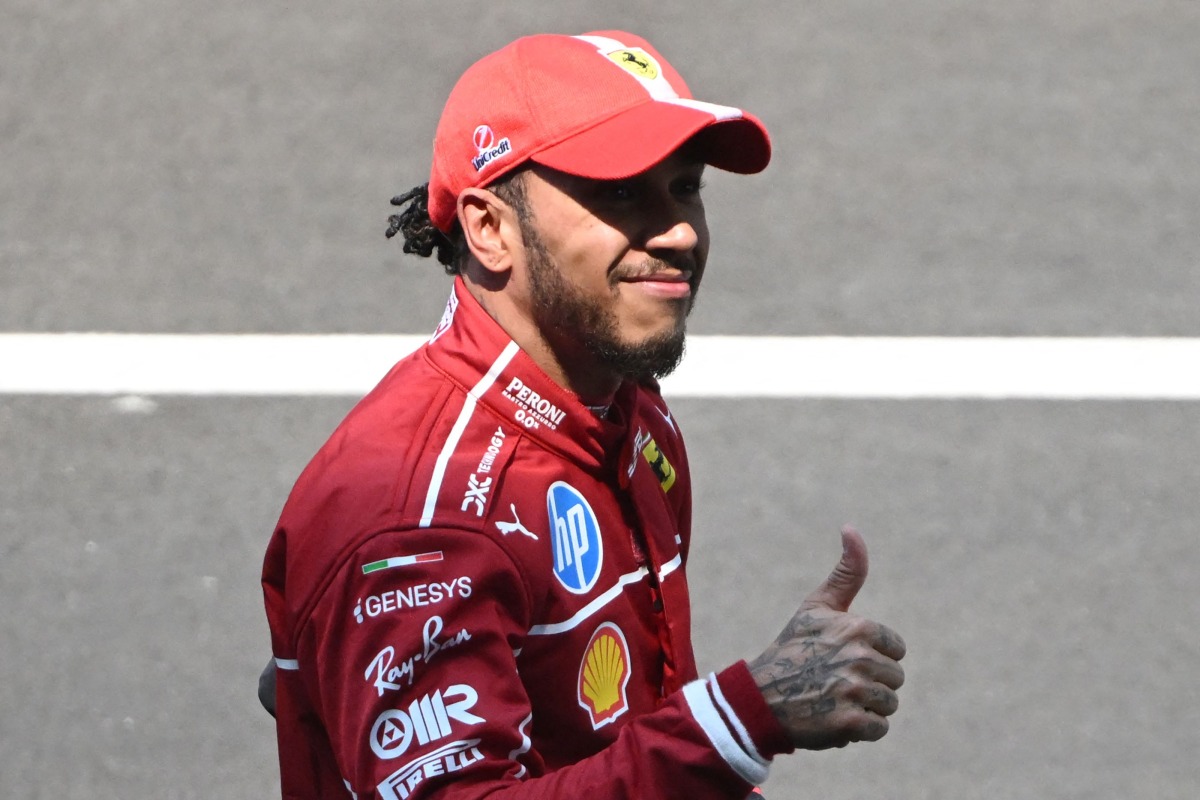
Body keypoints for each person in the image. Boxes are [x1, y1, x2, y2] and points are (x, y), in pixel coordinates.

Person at [260, 30, 906, 800]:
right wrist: (739, 721)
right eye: (622, 192)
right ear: (489, 228)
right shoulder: (421, 522)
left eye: (686, 186)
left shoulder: (623, 410)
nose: (679, 233)